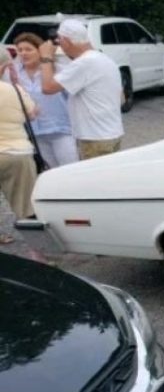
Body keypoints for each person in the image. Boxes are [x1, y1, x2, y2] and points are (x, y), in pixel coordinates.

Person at [38, 18, 124, 160]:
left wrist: (46, 57)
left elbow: (47, 87)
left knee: (92, 181)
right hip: (111, 133)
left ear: (66, 41)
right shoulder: (105, 59)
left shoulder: (84, 63)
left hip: (94, 138)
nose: (60, 46)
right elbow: (121, 97)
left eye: (59, 42)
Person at [3, 32, 79, 168]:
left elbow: (74, 96)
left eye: (28, 49)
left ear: (40, 51)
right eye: (19, 50)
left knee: (70, 169)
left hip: (61, 130)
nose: (23, 53)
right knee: (50, 172)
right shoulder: (13, 73)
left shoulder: (56, 69)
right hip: (36, 133)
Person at [0, 49, 39, 243]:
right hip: (16, 154)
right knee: (26, 205)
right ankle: (38, 251)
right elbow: (32, 113)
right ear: (6, 67)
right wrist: (16, 83)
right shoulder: (13, 90)